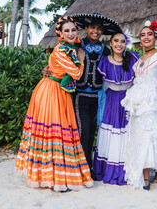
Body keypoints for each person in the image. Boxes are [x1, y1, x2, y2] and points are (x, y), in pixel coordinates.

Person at [15, 16, 93, 192]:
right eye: (67, 31)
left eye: (73, 30)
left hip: (60, 92)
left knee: (58, 132)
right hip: (51, 92)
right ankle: (52, 178)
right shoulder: (61, 50)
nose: (71, 33)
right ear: (60, 34)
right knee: (53, 131)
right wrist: (81, 59)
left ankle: (57, 175)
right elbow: (76, 73)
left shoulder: (70, 48)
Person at [43, 13, 123, 178]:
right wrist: (47, 70)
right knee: (83, 131)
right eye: (92, 27)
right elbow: (58, 61)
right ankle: (82, 168)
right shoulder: (76, 46)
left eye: (99, 28)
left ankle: (89, 166)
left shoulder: (107, 50)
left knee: (93, 132)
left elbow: (118, 65)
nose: (95, 31)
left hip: (98, 98)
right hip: (80, 96)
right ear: (85, 29)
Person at [121, 20, 157, 190]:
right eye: (143, 35)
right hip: (138, 100)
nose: (146, 37)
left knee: (153, 135)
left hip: (152, 101)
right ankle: (147, 173)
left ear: (156, 38)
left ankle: (149, 177)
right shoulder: (140, 58)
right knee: (140, 135)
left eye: (149, 35)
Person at [92, 32, 138, 185]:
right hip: (111, 100)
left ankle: (125, 169)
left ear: (126, 43)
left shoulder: (133, 59)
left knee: (126, 134)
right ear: (110, 43)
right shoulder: (104, 61)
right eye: (116, 41)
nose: (119, 44)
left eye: (122, 41)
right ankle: (108, 169)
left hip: (128, 99)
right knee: (111, 134)